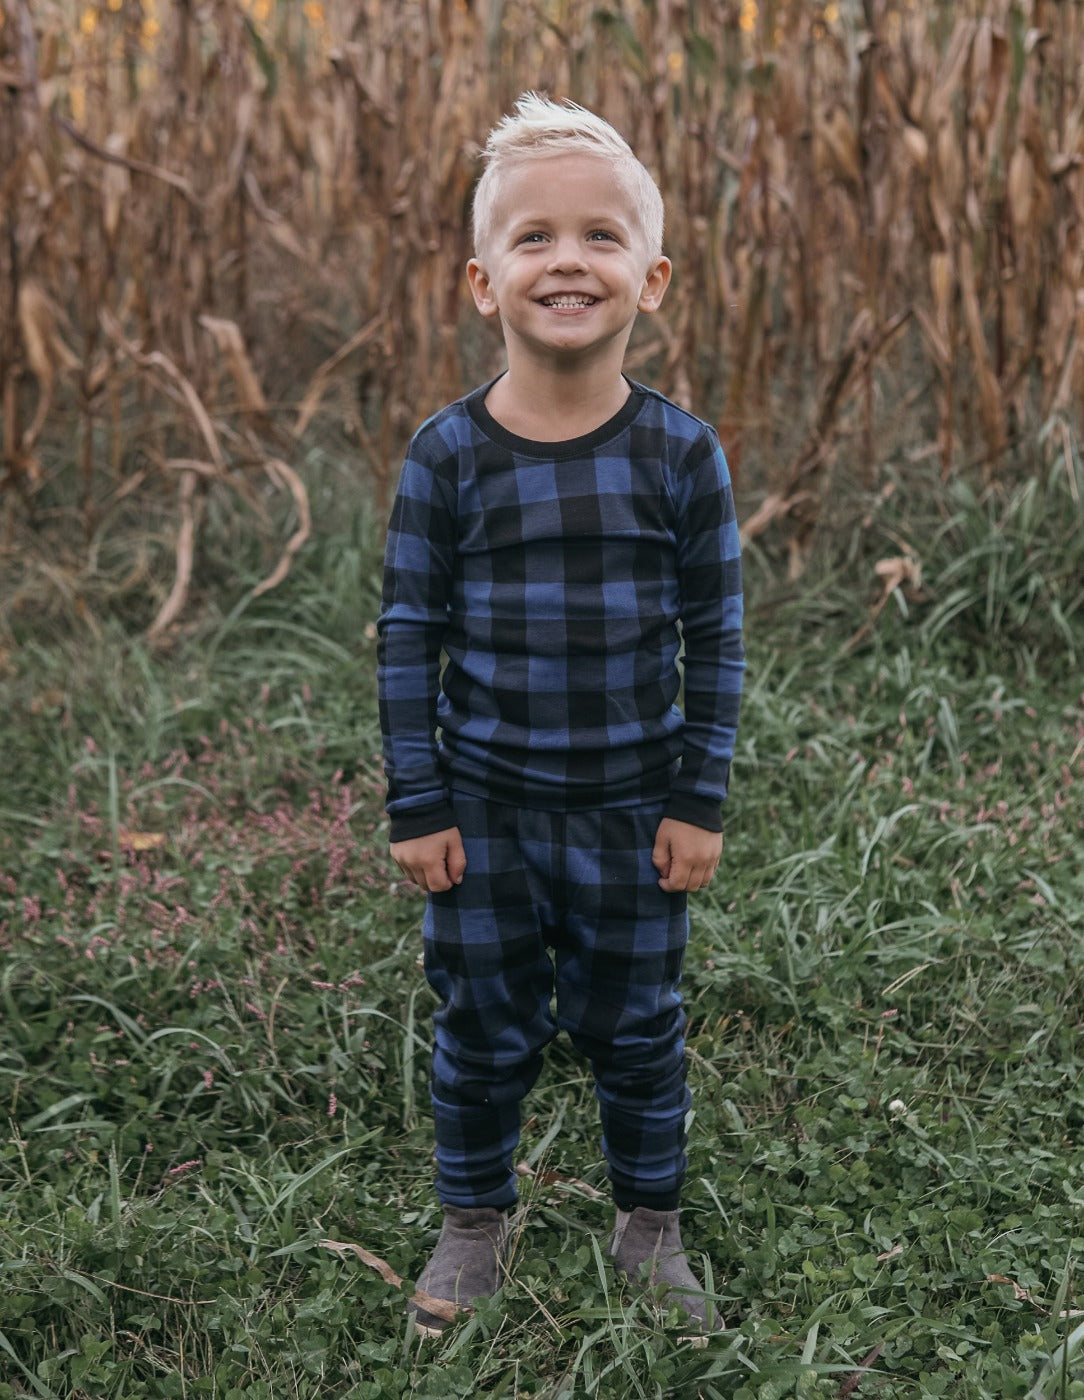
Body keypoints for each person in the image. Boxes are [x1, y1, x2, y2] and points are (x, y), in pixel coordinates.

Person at [377, 91, 744, 1338]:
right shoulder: (447, 455)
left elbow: (715, 638)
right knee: (482, 1025)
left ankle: (650, 1224)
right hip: (483, 811)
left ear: (653, 277)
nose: (567, 259)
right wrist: (418, 800)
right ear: (484, 282)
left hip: (633, 808)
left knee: (636, 1027)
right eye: (532, 237)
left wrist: (697, 799)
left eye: (600, 235)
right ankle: (472, 1218)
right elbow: (407, 634)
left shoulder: (680, 455)